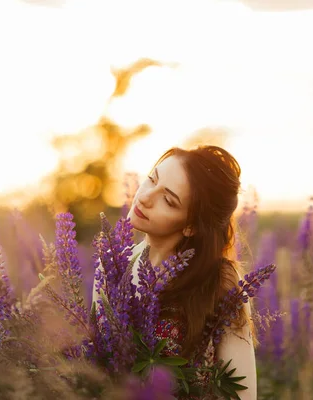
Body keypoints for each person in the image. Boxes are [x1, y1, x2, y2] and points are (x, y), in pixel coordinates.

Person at [93, 145, 256, 400]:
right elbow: (98, 366)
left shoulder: (219, 282)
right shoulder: (112, 265)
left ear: (191, 226)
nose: (145, 197)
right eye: (151, 179)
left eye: (168, 200)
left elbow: (242, 395)